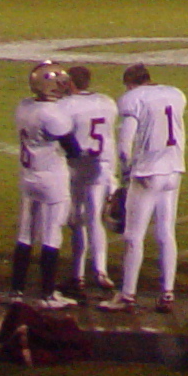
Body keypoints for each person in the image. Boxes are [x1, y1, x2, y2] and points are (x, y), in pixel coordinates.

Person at [103, 61, 186, 312]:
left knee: (133, 235)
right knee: (166, 232)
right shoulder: (175, 94)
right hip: (174, 170)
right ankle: (167, 293)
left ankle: (127, 294)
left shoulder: (133, 98)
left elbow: (124, 146)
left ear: (130, 83)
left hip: (148, 172)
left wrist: (126, 178)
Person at [11, 61, 81, 307]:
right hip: (51, 179)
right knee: (52, 235)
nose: (63, 86)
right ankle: (48, 294)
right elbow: (73, 149)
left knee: (25, 234)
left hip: (28, 177)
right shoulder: (53, 114)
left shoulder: (24, 106)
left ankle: (16, 291)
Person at [60, 63, 119, 299]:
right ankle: (102, 271)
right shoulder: (107, 101)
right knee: (95, 219)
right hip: (102, 165)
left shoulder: (65, 106)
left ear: (70, 83)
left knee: (77, 221)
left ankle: (78, 275)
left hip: (78, 167)